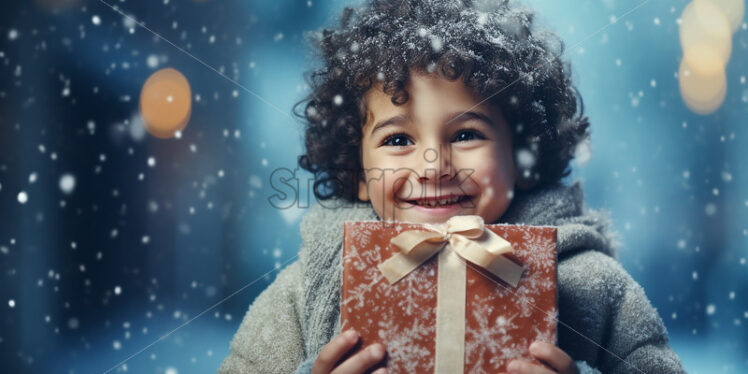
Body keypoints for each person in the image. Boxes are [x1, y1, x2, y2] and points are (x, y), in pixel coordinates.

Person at [219, 1, 687, 373]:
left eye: (466, 135)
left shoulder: (592, 286)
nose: (434, 166)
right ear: (359, 175)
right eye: (398, 139)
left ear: (522, 155)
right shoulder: (306, 293)